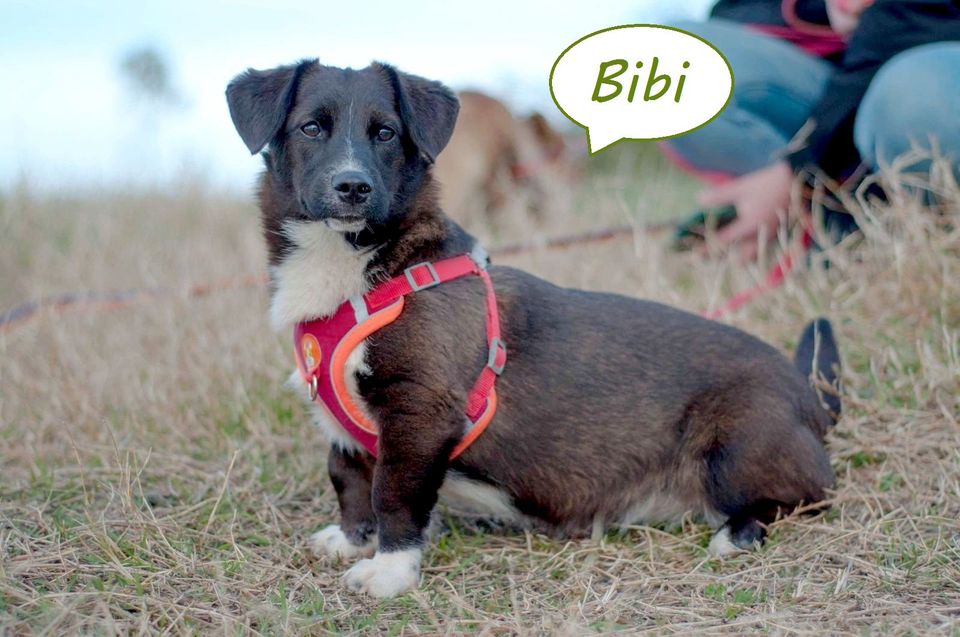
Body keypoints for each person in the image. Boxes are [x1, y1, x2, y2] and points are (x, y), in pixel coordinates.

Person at [662, 0, 960, 258]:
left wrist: (800, 171)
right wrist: (820, 7)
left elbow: (919, 19)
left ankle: (909, 232)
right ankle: (830, 226)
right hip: (836, 81)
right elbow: (735, 11)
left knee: (915, 95)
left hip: (932, 62)